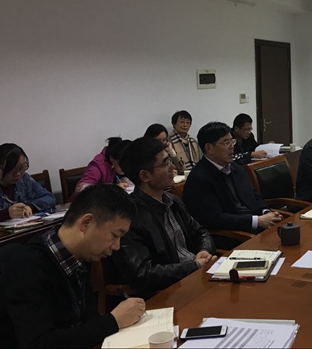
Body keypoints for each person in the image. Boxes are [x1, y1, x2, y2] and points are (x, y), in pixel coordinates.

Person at [0, 184, 144, 348]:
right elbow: (40, 343)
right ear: (86, 223)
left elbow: (88, 316)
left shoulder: (82, 255)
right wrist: (112, 321)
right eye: (114, 235)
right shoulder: (28, 267)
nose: (117, 246)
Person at [113, 137, 216, 297]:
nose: (173, 168)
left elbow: (200, 232)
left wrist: (204, 250)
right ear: (145, 176)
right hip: (169, 292)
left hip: (195, 277)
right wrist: (193, 266)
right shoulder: (130, 217)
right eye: (166, 163)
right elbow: (143, 275)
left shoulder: (173, 201)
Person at [184, 122, 282, 249]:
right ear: (209, 148)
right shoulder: (199, 179)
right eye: (226, 142)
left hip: (256, 227)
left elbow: (253, 194)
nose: (232, 147)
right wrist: (257, 221)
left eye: (232, 141)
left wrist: (266, 212)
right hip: (234, 238)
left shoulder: (236, 168)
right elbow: (215, 219)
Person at [0, 143, 56, 221]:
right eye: (13, 170)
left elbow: (50, 198)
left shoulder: (24, 179)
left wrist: (31, 206)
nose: (18, 174)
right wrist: (7, 214)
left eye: (22, 168)